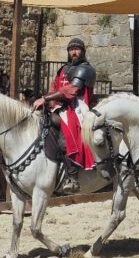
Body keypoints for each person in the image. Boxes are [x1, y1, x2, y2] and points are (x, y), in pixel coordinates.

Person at [33, 38, 96, 194]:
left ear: (83, 51)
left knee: (66, 138)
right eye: (71, 49)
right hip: (59, 107)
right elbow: (54, 87)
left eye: (77, 49)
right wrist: (47, 102)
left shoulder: (85, 69)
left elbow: (71, 91)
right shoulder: (63, 69)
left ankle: (72, 177)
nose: (73, 52)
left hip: (76, 108)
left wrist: (46, 98)